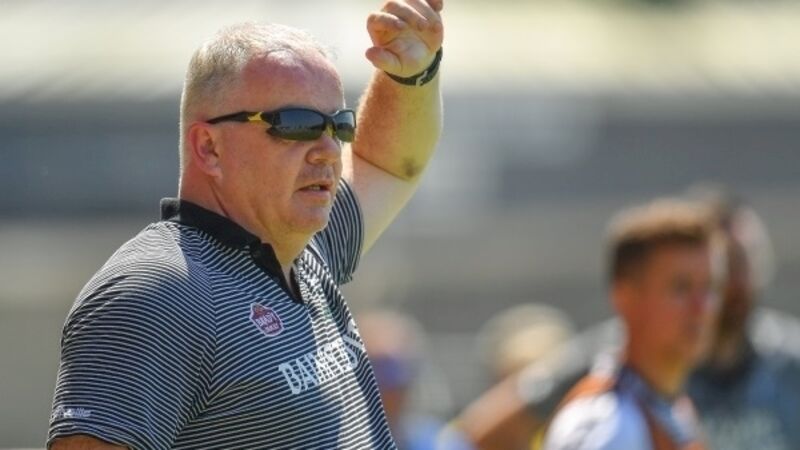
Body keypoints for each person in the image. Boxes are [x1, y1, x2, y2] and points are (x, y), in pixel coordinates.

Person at [47, 1, 444, 448]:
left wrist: (412, 75)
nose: (330, 151)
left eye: (339, 126)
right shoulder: (160, 292)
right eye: (296, 125)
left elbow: (386, 162)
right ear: (209, 147)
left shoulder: (301, 251)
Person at [540, 198, 723, 450]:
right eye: (681, 288)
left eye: (710, 287)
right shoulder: (609, 425)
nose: (702, 307)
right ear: (625, 296)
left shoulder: (672, 408)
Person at [685, 189, 800, 450]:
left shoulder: (791, 365)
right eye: (728, 265)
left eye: (749, 262)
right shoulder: (640, 370)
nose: (740, 282)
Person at [357, 310, 473, 450]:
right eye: (377, 370)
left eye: (396, 376)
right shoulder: (336, 439)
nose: (389, 392)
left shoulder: (439, 442)